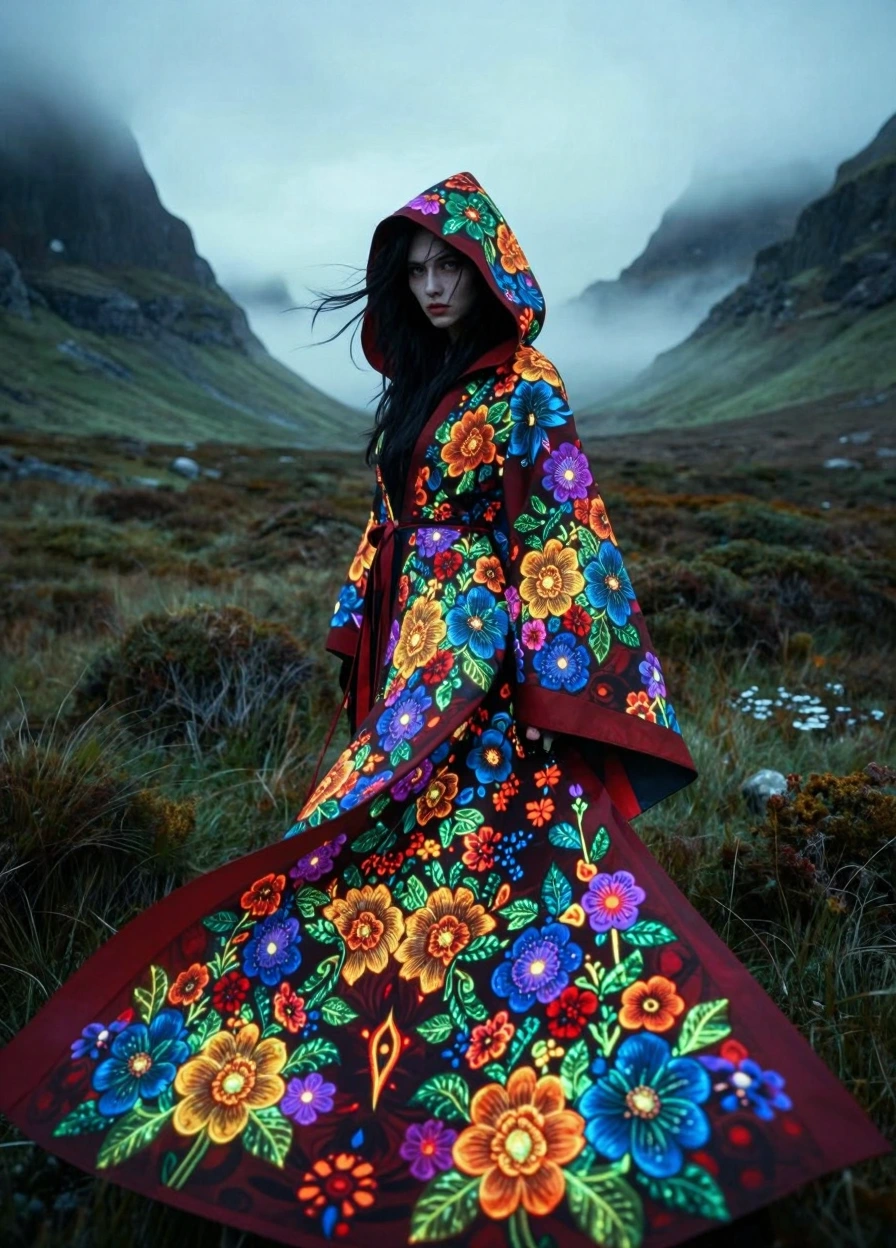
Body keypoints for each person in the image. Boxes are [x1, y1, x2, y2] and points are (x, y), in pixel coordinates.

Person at [0, 171, 886, 1248]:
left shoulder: (526, 387)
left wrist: (545, 679)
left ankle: (562, 1081)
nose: (430, 287)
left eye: (449, 269)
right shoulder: (421, 385)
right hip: (416, 654)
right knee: (378, 834)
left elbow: (560, 530)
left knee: (491, 847)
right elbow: (391, 521)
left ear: (489, 272)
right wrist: (365, 621)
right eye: (415, 269)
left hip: (485, 663)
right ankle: (336, 1049)